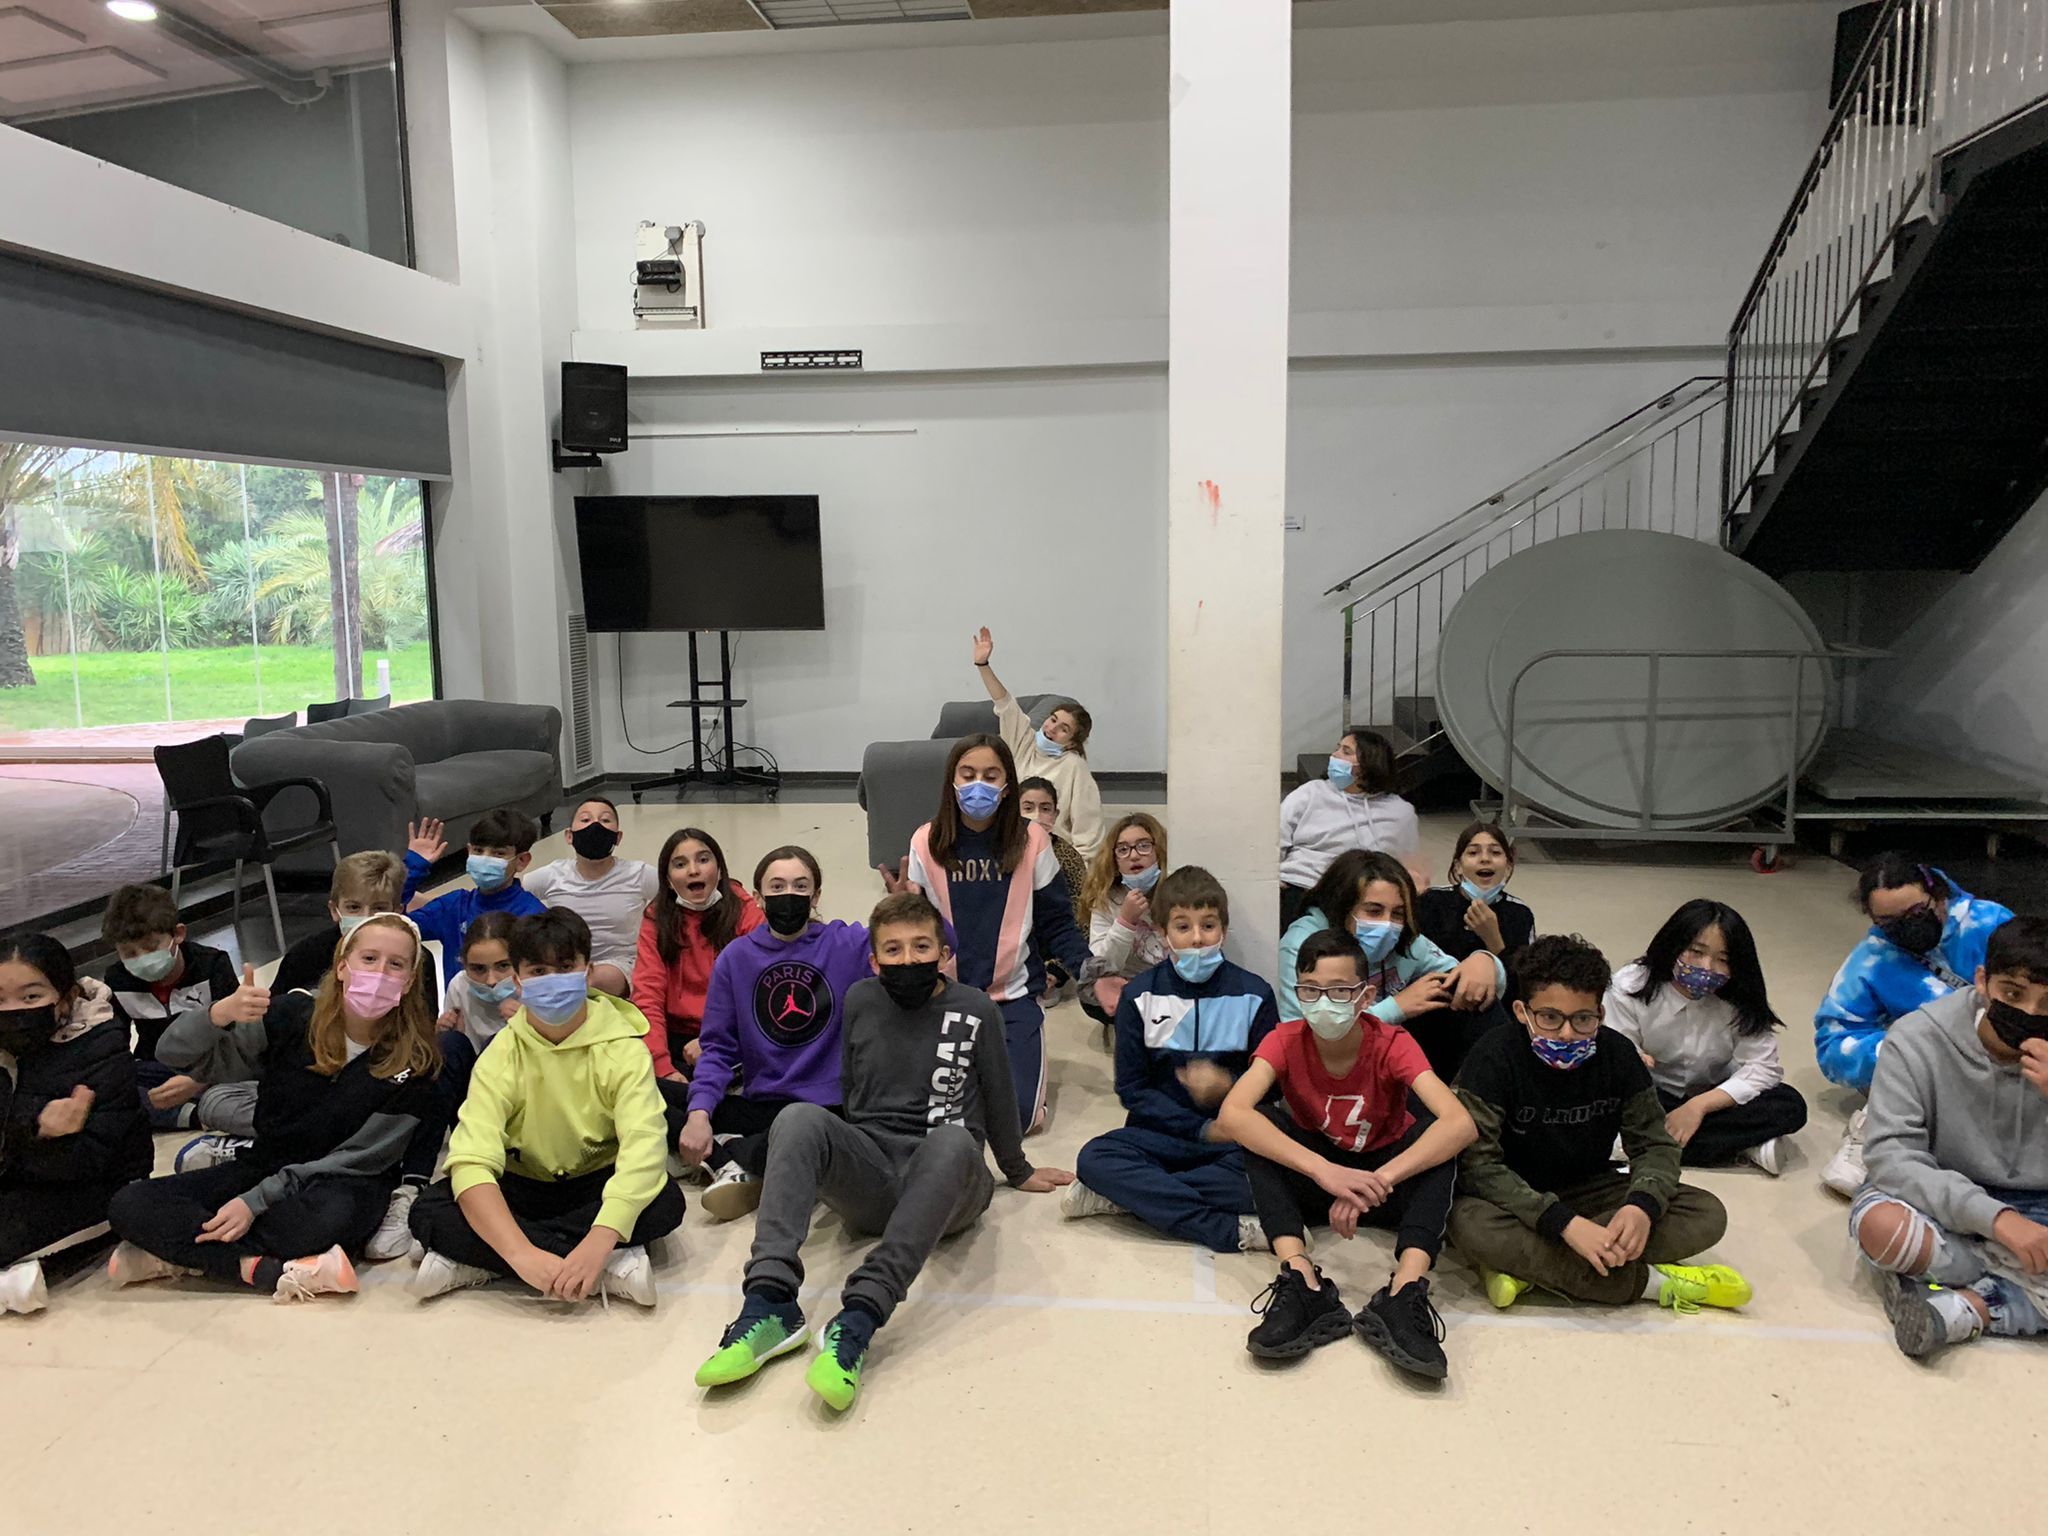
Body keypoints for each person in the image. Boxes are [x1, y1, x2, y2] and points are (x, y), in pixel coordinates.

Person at [694, 892, 1073, 1410]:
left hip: (949, 1179)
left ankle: (858, 1319)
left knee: (953, 1139)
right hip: (875, 1173)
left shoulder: (976, 1008)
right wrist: (836, 1162)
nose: (908, 959)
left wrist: (1017, 1168)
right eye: (893, 949)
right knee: (799, 1118)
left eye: (921, 947)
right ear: (874, 960)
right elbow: (852, 1090)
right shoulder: (859, 1000)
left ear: (944, 954)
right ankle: (770, 1303)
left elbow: (999, 1094)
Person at [105, 915, 437, 1305]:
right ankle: (257, 1268)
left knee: (323, 1221)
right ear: (342, 966)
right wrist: (217, 1015)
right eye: (368, 958)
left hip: (344, 1182)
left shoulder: (416, 1060)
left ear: (409, 981)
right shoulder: (291, 1015)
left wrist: (255, 1202)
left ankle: (179, 1254)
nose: (379, 973)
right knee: (130, 1203)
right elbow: (172, 1054)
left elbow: (357, 1159)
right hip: (265, 1163)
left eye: (395, 964)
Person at [1446, 933, 1751, 1314]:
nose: (1567, 1033)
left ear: (1601, 1015)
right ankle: (1653, 1284)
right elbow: (1478, 1165)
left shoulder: (1619, 1055)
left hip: (1592, 1188)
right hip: (1510, 1197)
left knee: (1706, 1213)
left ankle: (1527, 1267)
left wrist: (1640, 1206)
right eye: (1550, 1018)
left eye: (1583, 1019)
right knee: (1467, 1223)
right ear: (1522, 1012)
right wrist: (1564, 1224)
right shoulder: (1493, 1057)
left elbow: (1654, 1145)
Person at [1216, 929, 1475, 1377]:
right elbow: (1233, 1114)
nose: (1324, 1002)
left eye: (1339, 991)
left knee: (1437, 1140)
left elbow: (1460, 1123)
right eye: (1310, 990)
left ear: (1365, 996)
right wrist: (1325, 1171)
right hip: (1321, 1179)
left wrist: (1379, 1181)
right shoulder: (1284, 1039)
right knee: (1260, 1127)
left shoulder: (1391, 1041)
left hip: (1386, 1180)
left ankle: (1404, 1291)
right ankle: (1302, 1280)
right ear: (1297, 992)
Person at [408, 909, 684, 1306]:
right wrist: (521, 1254)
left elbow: (644, 1148)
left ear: (588, 972)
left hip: (595, 1182)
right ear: (519, 982)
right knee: (429, 1210)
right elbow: (471, 1158)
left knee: (665, 1202)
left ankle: (483, 1260)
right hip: (523, 1183)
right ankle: (607, 1266)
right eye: (538, 971)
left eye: (565, 967)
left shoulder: (624, 1047)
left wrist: (601, 1236)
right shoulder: (502, 1052)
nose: (553, 979)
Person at [1851, 914, 2048, 1359]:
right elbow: (1892, 1156)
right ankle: (2017, 1281)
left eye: (2047, 1003)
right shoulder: (1917, 1038)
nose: (2030, 1014)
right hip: (1946, 1197)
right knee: (1882, 1227)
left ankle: (1972, 1306)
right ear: (1982, 981)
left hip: (2041, 1207)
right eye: (2012, 994)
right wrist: (1998, 1222)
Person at [1063, 866, 1277, 1254]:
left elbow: (1274, 1086)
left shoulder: (1255, 994)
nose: (1197, 938)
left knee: (1266, 1180)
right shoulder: (1139, 996)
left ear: (1224, 930)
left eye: (1208, 925)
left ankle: (1127, 1198)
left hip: (1231, 1139)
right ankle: (1225, 1230)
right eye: (1182, 927)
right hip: (1157, 1135)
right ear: (1163, 934)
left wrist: (1227, 1087)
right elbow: (1132, 1089)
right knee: (1095, 1158)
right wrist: (1200, 1130)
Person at [900, 733, 1091, 1133]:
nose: (978, 785)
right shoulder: (925, 841)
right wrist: (898, 910)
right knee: (922, 1115)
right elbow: (912, 930)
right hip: (946, 998)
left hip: (1013, 998)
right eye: (967, 774)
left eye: (990, 776)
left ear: (1007, 787)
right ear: (952, 782)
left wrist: (1092, 974)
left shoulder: (1032, 840)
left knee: (1019, 1120)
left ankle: (986, 1076)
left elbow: (1057, 923)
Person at [677, 846, 872, 1221]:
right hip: (763, 1104)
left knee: (807, 1135)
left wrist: (911, 903)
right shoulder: (736, 958)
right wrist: (699, 1113)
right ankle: (757, 1160)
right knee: (656, 1095)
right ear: (758, 897)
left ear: (816, 896)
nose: (789, 895)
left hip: (826, 1109)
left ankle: (739, 1158)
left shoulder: (845, 944)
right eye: (777, 886)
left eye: (801, 886)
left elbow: (941, 940)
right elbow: (717, 1048)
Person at [1815, 853, 2014, 1197]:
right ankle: (1875, 1133)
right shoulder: (1871, 959)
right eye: (1888, 921)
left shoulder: (1991, 923)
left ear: (1938, 895)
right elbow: (1834, 1044)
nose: (1906, 926)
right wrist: (1902, 1049)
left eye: (1916, 912)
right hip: (1931, 1067)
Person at [0, 935, 151, 1315]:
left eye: (31, 997)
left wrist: (41, 1134)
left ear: (65, 998)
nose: (13, 1011)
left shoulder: (100, 1046)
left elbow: (90, 1160)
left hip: (94, 1185)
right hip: (18, 1171)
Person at [1605, 899, 1807, 1175]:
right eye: (1696, 952)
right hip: (1650, 1093)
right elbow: (1613, 1051)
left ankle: (1642, 1147)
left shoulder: (1740, 997)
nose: (1707, 967)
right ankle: (1739, 1145)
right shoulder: (1631, 986)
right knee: (1605, 1107)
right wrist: (1633, 1059)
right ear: (1673, 945)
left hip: (1712, 1095)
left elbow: (1764, 1068)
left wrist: (1698, 1107)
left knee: (1789, 1105)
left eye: (1723, 960)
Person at [370, 911, 526, 1261]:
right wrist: (440, 1032)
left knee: (499, 1044)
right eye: (478, 969)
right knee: (444, 1049)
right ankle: (413, 1182)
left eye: (503, 966)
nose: (490, 980)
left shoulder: (534, 990)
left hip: (522, 1108)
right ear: (463, 965)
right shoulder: (459, 987)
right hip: (472, 1102)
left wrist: (528, 1025)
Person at [1279, 850, 1507, 1082]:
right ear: (1342, 906)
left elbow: (1463, 979)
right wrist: (1396, 1008)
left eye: (1397, 913)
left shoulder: (1406, 939)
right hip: (1333, 1067)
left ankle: (1483, 1095)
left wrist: (1485, 961)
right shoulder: (1303, 943)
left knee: (1464, 995)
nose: (1387, 924)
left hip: (1392, 1055)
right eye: (1374, 911)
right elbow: (1302, 1035)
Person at [98, 882, 238, 1131]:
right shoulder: (117, 980)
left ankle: (189, 1109)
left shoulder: (212, 965)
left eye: (151, 947)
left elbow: (238, 1036)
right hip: (156, 1067)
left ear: (178, 934)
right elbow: (114, 1046)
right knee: (110, 1086)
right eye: (129, 953)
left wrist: (199, 1079)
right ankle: (195, 1115)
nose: (142, 959)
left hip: (212, 1066)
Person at [631, 826, 763, 1087]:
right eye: (680, 864)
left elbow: (758, 989)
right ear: (668, 880)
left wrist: (716, 1039)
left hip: (734, 1032)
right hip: (676, 1036)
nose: (693, 870)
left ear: (720, 869)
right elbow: (647, 993)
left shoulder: (745, 911)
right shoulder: (657, 917)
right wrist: (661, 1065)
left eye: (703, 860)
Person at [970, 624, 1103, 857]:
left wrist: (1076, 868)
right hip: (1010, 847)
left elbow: (1088, 832)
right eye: (1053, 720)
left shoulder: (1074, 768)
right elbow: (1006, 705)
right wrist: (983, 665)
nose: (1052, 729)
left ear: (1072, 742)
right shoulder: (1024, 744)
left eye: (1063, 729)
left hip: (1053, 854)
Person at [1279, 729, 1423, 930]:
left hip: (1365, 893)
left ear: (1369, 763)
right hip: (1303, 886)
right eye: (1337, 748)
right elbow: (1276, 840)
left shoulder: (1400, 812)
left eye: (1346, 751)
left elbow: (1407, 866)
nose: (1334, 755)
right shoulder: (1310, 793)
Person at [523, 796, 658, 997]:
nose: (595, 825)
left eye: (605, 820)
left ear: (618, 837)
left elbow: (676, 895)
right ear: (569, 836)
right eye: (585, 820)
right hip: (561, 962)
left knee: (591, 979)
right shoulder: (552, 875)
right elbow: (514, 896)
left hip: (618, 964)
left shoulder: (639, 874)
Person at [401, 809, 548, 984]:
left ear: (521, 860)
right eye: (478, 850)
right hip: (459, 1001)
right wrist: (413, 867)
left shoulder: (534, 916)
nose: (485, 859)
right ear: (469, 851)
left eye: (498, 853)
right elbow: (395, 926)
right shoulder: (454, 906)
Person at [1077, 812, 1169, 1028]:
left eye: (1144, 846)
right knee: (1091, 994)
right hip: (1128, 983)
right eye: (1123, 849)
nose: (1134, 856)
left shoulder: (1175, 890)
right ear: (1114, 859)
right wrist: (1125, 922)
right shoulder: (1107, 898)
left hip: (1169, 982)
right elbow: (1100, 965)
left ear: (1159, 850)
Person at [1415, 821, 1534, 976]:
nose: (1485, 859)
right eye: (1473, 853)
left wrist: (1493, 939)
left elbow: (1524, 981)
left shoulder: (1520, 913)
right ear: (1458, 866)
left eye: (1495, 852)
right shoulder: (1431, 901)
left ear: (1508, 866)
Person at [1019, 776, 1090, 920]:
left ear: (1055, 814)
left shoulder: (1068, 855)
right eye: (1028, 808)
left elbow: (1081, 905)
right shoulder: (1003, 850)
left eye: (1045, 809)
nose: (1037, 815)